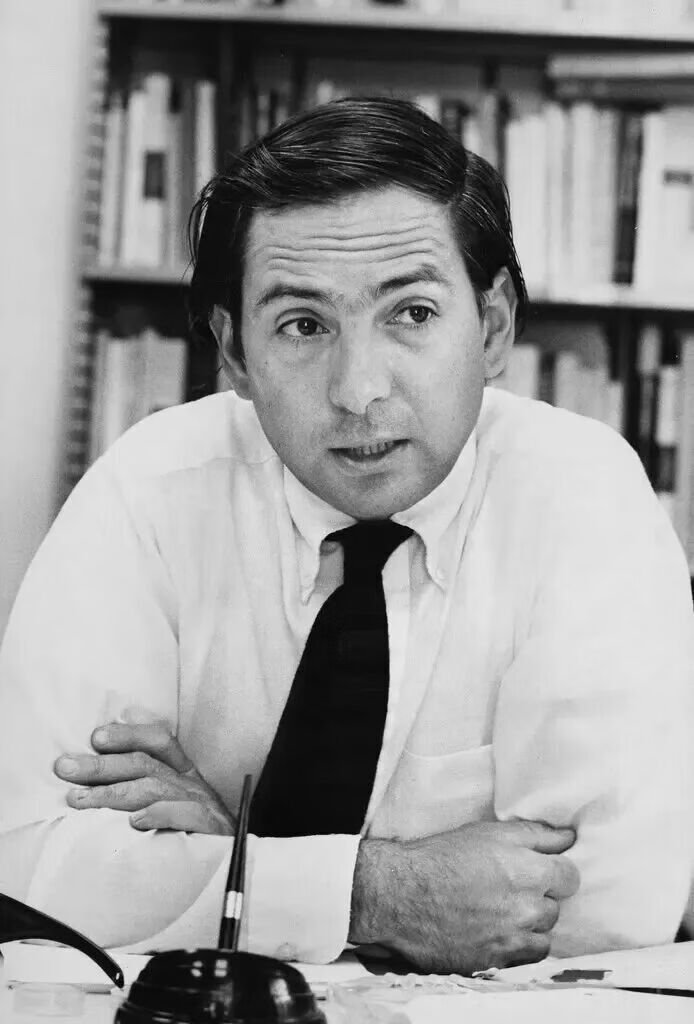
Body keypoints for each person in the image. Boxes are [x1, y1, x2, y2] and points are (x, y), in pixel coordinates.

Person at [0, 98, 692, 974]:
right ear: (234, 354)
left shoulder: (583, 497)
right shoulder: (152, 489)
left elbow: (607, 909)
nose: (359, 390)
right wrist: (371, 891)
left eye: (412, 314)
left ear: (494, 328)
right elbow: (25, 867)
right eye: (303, 325)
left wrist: (226, 860)